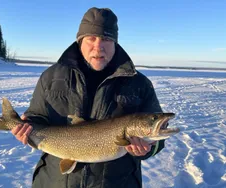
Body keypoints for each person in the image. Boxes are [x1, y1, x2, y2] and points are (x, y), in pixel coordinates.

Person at [11, 7, 165, 188]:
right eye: (91, 38)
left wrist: (146, 149)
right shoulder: (50, 77)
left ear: (115, 42)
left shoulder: (139, 83)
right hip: (55, 181)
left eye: (106, 39)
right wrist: (26, 126)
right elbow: (37, 116)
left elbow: (158, 141)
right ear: (80, 41)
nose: (98, 46)